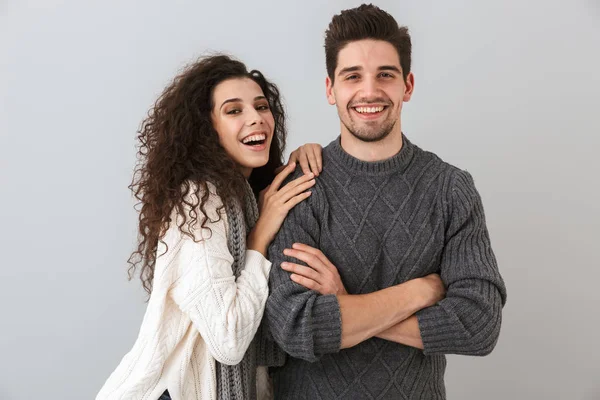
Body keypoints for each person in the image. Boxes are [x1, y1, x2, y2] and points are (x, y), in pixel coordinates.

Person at [264, 4, 508, 399]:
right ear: (331, 89)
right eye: (352, 76)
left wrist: (344, 303)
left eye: (385, 75)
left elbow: (479, 325)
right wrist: (420, 292)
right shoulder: (301, 187)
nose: (369, 91)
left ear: (407, 85)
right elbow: (296, 326)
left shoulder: (450, 189)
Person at [95, 54, 329, 400]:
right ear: (208, 129)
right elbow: (229, 339)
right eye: (234, 111)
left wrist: (308, 156)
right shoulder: (201, 199)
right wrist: (260, 236)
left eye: (261, 107)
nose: (256, 119)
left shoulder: (248, 197)